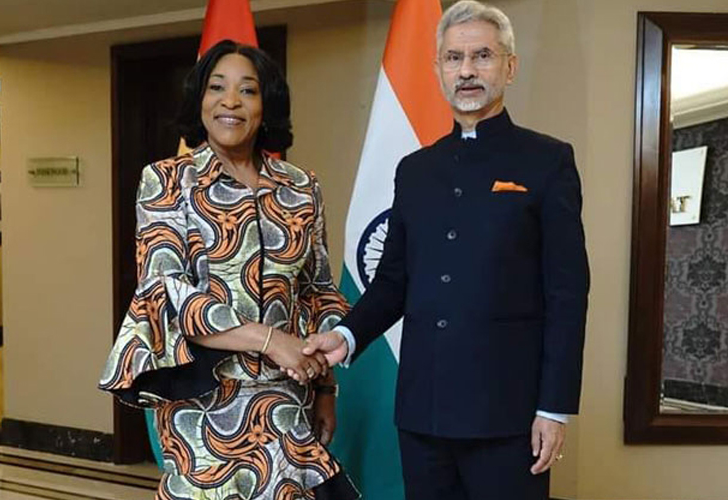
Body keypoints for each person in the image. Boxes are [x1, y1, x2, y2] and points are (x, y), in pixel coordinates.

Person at [301, 2, 589, 499]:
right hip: (423, 411)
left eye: (483, 55)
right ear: (438, 70)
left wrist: (554, 408)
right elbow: (393, 282)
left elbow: (567, 294)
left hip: (508, 414)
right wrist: (346, 335)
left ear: (509, 66)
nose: (468, 70)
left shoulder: (548, 161)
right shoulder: (415, 170)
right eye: (454, 58)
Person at [98, 39, 357, 500]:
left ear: (267, 105)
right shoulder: (166, 181)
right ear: (200, 100)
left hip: (285, 397)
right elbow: (167, 292)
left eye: (248, 90)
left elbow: (316, 289)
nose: (230, 101)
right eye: (216, 87)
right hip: (202, 399)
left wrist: (326, 388)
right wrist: (272, 341)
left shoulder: (301, 188)